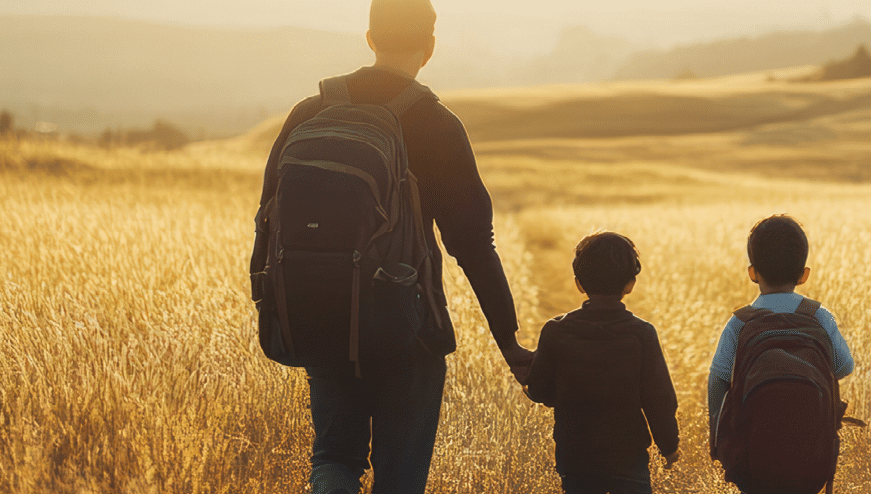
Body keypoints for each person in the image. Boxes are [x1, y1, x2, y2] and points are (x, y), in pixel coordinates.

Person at [259, 1, 533, 492]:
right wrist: (508, 341)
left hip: (320, 318)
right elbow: (473, 244)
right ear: (429, 47)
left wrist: (277, 306)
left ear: (369, 38)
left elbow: (267, 219)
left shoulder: (312, 111)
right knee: (399, 480)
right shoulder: (438, 125)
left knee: (334, 459)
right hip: (407, 327)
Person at [525, 232, 682, 494]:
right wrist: (669, 445)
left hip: (575, 458)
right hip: (628, 457)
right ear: (630, 284)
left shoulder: (555, 331)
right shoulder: (642, 333)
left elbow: (541, 392)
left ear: (579, 283)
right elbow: (659, 398)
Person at [706, 214, 857, 429]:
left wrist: (718, 435)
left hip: (753, 447)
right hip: (814, 446)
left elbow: (718, 379)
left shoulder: (740, 323)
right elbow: (844, 366)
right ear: (803, 275)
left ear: (753, 273)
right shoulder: (819, 316)